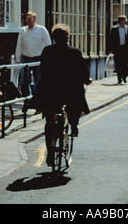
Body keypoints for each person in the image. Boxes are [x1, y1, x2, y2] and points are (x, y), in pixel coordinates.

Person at [30, 23, 92, 166]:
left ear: (53, 38)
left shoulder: (47, 51)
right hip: (70, 91)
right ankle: (74, 126)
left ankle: (50, 154)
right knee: (76, 101)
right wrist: (87, 80)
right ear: (67, 38)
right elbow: (83, 70)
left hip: (51, 92)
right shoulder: (75, 52)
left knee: (49, 122)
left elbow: (43, 70)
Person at [15, 11, 52, 96]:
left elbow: (48, 45)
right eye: (27, 19)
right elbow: (19, 45)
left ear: (35, 19)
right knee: (24, 80)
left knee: (38, 81)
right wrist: (18, 58)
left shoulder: (41, 30)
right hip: (26, 58)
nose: (28, 21)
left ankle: (37, 101)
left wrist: (47, 59)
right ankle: (26, 99)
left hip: (38, 58)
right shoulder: (23, 30)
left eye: (30, 19)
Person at [110, 15, 128, 84]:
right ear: (121, 21)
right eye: (125, 20)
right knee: (118, 64)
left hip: (125, 49)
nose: (126, 21)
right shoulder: (114, 29)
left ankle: (124, 76)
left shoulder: (127, 28)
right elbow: (111, 40)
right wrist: (110, 49)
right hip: (117, 49)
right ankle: (119, 79)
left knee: (126, 64)